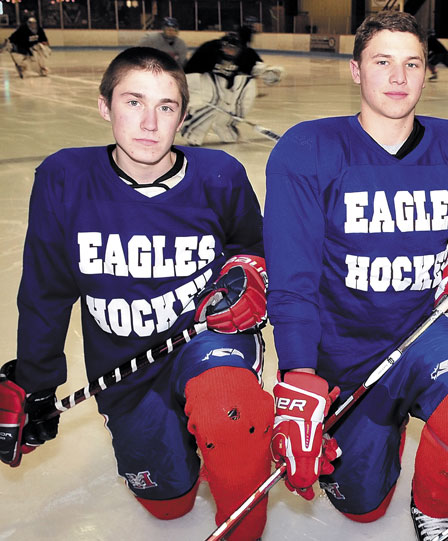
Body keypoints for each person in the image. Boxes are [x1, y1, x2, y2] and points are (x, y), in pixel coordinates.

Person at [0, 47, 274, 541]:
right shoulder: (65, 178)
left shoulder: (218, 175)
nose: (150, 122)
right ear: (105, 106)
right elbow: (46, 289)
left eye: (166, 107)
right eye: (133, 102)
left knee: (227, 413)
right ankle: (194, 448)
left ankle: (238, 490)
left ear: (182, 116)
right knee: (169, 506)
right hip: (123, 368)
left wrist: (250, 276)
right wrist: (36, 382)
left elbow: (252, 251)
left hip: (205, 341)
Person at [263, 11, 448, 541]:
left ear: (427, 72)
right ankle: (384, 426)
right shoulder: (309, 149)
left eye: (412, 64)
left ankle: (434, 510)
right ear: (356, 71)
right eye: (383, 62)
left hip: (425, 330)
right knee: (361, 508)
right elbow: (293, 278)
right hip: (344, 347)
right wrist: (300, 373)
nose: (399, 78)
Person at [181, 31, 282, 145]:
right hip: (210, 81)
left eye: (233, 49)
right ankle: (193, 130)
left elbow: (256, 67)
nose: (229, 51)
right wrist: (194, 95)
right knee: (211, 100)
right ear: (221, 46)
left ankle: (225, 126)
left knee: (242, 93)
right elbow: (190, 71)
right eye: (226, 47)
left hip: (231, 84)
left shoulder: (246, 54)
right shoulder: (209, 50)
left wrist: (267, 72)